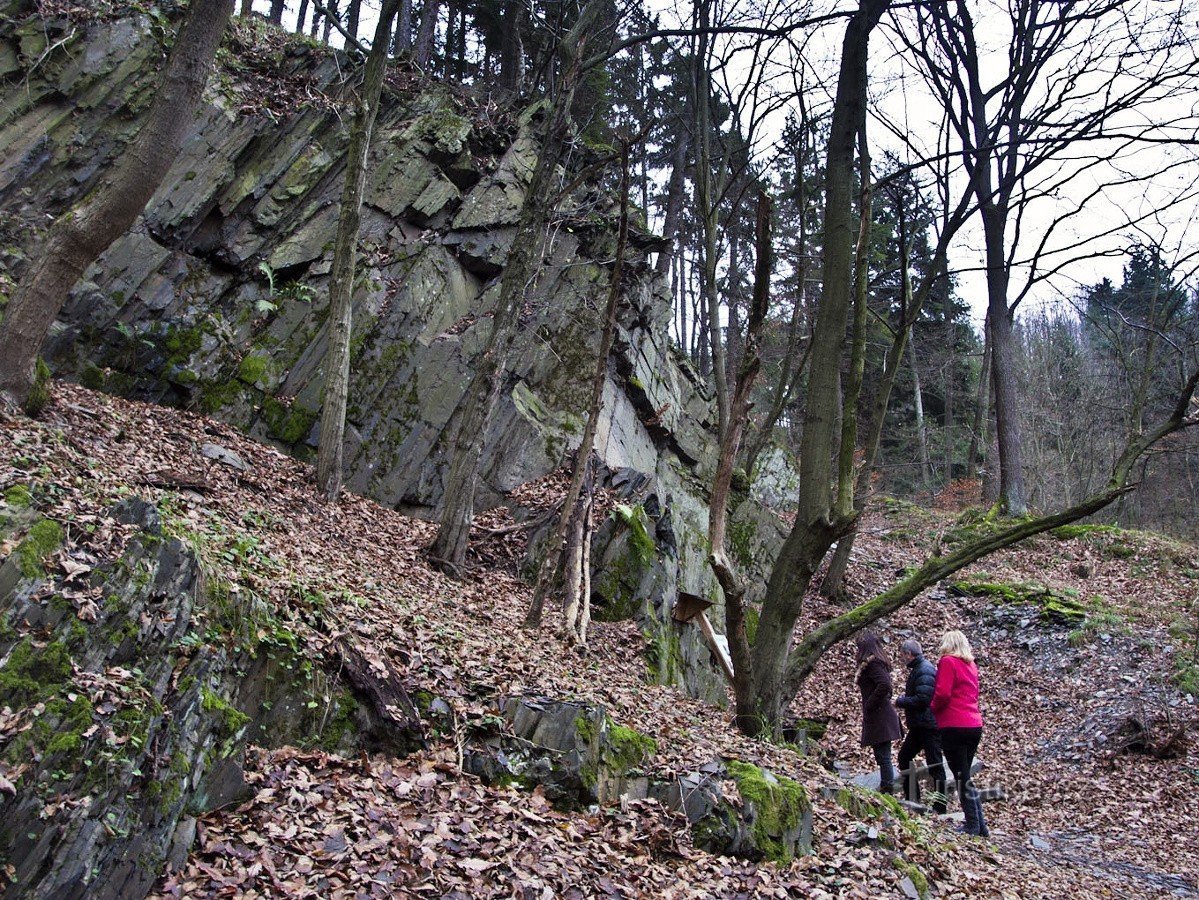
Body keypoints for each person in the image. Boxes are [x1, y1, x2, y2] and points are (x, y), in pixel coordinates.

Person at [931, 629, 989, 837]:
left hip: (954, 724)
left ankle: (973, 825)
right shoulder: (971, 665)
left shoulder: (948, 662)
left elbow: (943, 693)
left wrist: (933, 708)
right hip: (974, 724)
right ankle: (980, 825)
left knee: (960, 776)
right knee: (964, 775)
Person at [894, 639, 948, 812]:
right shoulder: (920, 669)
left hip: (928, 726)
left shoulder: (924, 670)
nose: (901, 658)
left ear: (909, 654)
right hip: (920, 725)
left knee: (935, 765)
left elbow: (923, 699)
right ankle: (913, 799)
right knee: (904, 757)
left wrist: (900, 701)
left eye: (903, 655)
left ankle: (940, 805)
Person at [855, 631, 903, 794]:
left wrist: (870, 704)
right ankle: (887, 789)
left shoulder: (873, 664)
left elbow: (885, 685)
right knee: (882, 756)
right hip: (879, 716)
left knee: (884, 757)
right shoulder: (873, 663)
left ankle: (887, 792)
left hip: (880, 716)